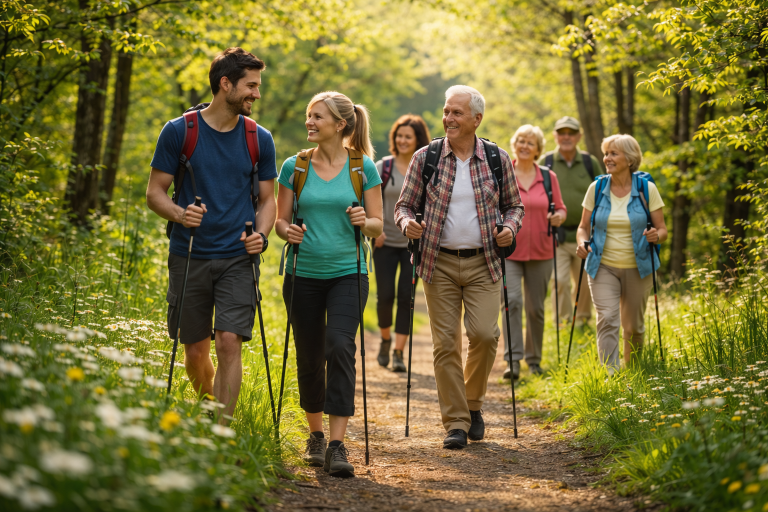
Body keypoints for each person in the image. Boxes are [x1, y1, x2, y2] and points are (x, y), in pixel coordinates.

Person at [146, 48, 277, 422]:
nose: (256, 93)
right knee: (195, 352)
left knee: (229, 341)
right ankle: (207, 409)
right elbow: (154, 192)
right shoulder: (179, 131)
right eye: (251, 85)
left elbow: (268, 201)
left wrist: (262, 235)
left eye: (258, 85)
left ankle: (223, 430)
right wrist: (179, 214)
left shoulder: (258, 138)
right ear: (226, 84)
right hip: (189, 254)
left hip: (238, 256)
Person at [395, 85, 524, 449]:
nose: (448, 118)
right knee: (445, 345)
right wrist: (407, 224)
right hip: (439, 263)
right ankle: (455, 422)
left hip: (484, 262)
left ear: (476, 119)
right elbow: (403, 205)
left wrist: (509, 229)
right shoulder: (427, 157)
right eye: (446, 111)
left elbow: (515, 206)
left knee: (485, 336)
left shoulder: (497, 159)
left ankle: (473, 403)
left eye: (456, 113)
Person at [275, 91, 383, 477]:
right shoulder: (294, 166)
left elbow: (378, 224)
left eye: (317, 117)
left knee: (339, 345)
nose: (310, 122)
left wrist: (362, 221)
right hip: (301, 272)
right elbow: (279, 221)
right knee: (308, 354)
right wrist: (288, 233)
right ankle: (316, 435)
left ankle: (338, 444)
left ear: (340, 124)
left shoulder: (362, 167)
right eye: (308, 115)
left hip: (348, 272)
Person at [575, 134, 667, 373]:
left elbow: (663, 229)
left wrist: (657, 235)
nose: (607, 158)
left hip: (640, 266)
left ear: (630, 158)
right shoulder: (597, 188)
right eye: (606, 153)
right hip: (601, 265)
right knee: (607, 317)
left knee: (634, 326)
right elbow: (583, 227)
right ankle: (610, 375)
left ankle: (634, 373)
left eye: (614, 153)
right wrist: (583, 243)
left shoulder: (647, 189)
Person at [500, 125, 566, 380]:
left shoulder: (548, 177)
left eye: (531, 142)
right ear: (514, 144)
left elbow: (560, 208)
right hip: (510, 250)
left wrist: (558, 216)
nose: (525, 146)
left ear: (538, 149)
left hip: (542, 250)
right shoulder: (504, 173)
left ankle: (534, 360)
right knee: (512, 302)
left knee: (536, 308)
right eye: (521, 141)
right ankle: (513, 360)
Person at [374, 115, 431, 372]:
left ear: (418, 139)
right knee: (385, 296)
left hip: (413, 246)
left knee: (406, 297)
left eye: (408, 136)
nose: (403, 140)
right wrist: (374, 231)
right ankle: (385, 340)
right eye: (399, 135)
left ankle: (398, 352)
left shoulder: (426, 169)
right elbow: (368, 201)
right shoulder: (382, 167)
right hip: (384, 242)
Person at [539, 116, 602, 329]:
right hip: (556, 236)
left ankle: (582, 321)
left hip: (585, 234)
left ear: (578, 136)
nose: (566, 137)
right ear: (555, 136)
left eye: (571, 133)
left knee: (585, 280)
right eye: (562, 132)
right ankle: (563, 325)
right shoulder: (546, 163)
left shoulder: (589, 162)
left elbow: (603, 195)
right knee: (560, 281)